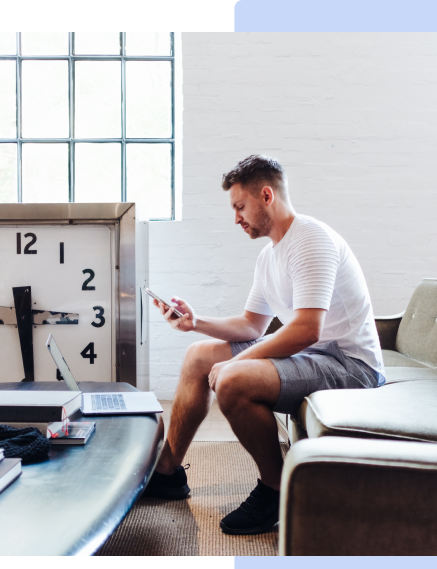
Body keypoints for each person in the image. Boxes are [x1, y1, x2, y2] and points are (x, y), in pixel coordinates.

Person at [146, 154, 385, 535]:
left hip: (349, 365)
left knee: (232, 380)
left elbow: (307, 328)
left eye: (240, 206)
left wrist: (235, 366)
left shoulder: (311, 238)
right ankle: (167, 472)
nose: (236, 217)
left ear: (267, 196)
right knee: (198, 357)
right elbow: (250, 325)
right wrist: (196, 323)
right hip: (314, 355)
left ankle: (276, 489)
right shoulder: (268, 255)